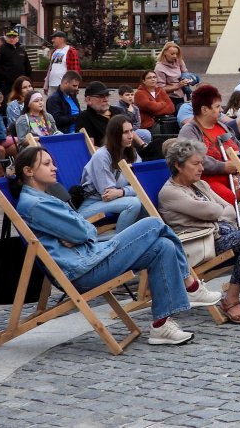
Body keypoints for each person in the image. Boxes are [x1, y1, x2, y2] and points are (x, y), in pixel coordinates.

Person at [12, 145, 223, 346]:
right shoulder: (36, 204)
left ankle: (161, 325)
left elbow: (84, 230)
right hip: (83, 271)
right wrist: (82, 232)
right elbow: (85, 230)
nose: (54, 167)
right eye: (47, 164)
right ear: (29, 171)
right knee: (153, 224)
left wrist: (82, 232)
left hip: (90, 258)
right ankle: (190, 285)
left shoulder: (44, 198)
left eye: (52, 163)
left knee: (162, 247)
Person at [157, 138, 240, 324]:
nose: (201, 168)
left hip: (223, 236)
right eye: (195, 164)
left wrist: (214, 212)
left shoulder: (201, 185)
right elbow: (214, 210)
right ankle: (231, 300)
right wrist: (215, 212)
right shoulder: (170, 192)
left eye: (201, 163)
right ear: (178, 166)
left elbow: (228, 209)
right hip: (203, 245)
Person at [76, 115, 147, 234]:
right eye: (125, 132)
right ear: (115, 135)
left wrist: (122, 191)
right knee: (134, 203)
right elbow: (108, 194)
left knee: (145, 198)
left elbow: (142, 185)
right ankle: (121, 242)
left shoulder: (132, 153)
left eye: (131, 131)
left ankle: (145, 234)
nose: (130, 136)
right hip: (91, 206)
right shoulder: (101, 156)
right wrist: (128, 190)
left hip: (116, 201)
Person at [177, 84, 240, 206]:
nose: (221, 110)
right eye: (218, 106)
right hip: (206, 181)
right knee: (228, 197)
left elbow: (238, 146)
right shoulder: (189, 131)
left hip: (236, 176)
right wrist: (222, 166)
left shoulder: (222, 126)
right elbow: (194, 159)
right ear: (204, 109)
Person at [0, 29, 31, 99]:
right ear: (6, 38)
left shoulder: (22, 51)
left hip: (20, 83)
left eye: (14, 37)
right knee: (6, 102)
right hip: (5, 84)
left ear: (17, 38)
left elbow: (27, 66)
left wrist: (28, 79)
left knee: (20, 101)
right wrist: (5, 76)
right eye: (9, 37)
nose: (12, 39)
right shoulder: (0, 50)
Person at [75, 81, 117, 148]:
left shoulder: (117, 111)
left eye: (107, 95)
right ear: (88, 99)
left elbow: (131, 133)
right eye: (101, 96)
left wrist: (140, 146)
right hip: (108, 155)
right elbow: (90, 148)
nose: (106, 99)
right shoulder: (84, 117)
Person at [154, 42, 194, 108]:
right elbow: (160, 89)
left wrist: (189, 79)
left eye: (176, 54)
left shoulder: (179, 61)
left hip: (181, 95)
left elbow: (185, 73)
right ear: (165, 52)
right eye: (172, 54)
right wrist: (178, 86)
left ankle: (189, 96)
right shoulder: (159, 68)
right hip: (168, 98)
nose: (175, 56)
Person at [43, 30, 80, 97]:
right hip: (52, 85)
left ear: (61, 39)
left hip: (65, 86)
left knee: (65, 105)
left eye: (54, 38)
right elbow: (50, 69)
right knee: (52, 105)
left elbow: (75, 71)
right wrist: (46, 84)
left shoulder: (70, 51)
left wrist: (74, 86)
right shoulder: (54, 51)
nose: (52, 40)